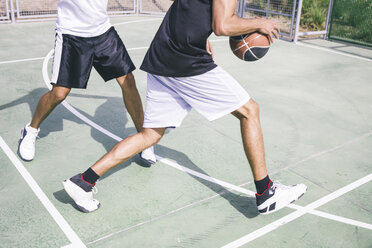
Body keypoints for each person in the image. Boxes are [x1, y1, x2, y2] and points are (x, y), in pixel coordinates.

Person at [62, 0, 307, 214]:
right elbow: (224, 25)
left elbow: (192, 9)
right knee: (249, 111)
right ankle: (266, 193)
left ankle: (83, 181)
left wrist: (202, 36)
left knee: (150, 135)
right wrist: (258, 22)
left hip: (162, 54)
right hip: (185, 61)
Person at [18, 0, 156, 165]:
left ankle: (144, 139)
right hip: (72, 36)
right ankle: (31, 130)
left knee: (128, 81)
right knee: (59, 94)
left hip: (103, 33)